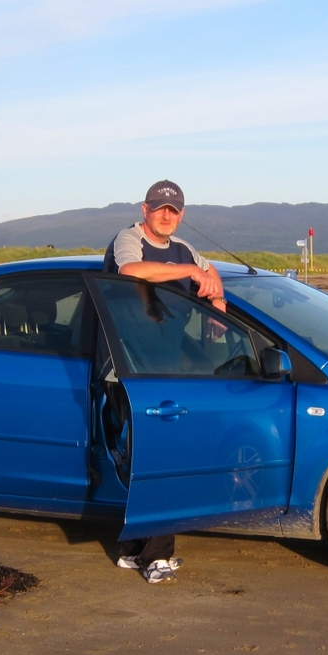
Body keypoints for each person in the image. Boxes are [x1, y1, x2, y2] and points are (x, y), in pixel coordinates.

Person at [103, 180, 225, 583]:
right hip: (129, 369)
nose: (166, 216)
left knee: (147, 456)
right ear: (145, 209)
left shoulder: (185, 249)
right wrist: (189, 271)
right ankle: (157, 557)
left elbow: (211, 271)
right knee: (158, 454)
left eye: (173, 210)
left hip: (168, 367)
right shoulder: (129, 239)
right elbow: (130, 271)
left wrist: (217, 298)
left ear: (182, 214)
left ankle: (133, 549)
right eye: (160, 209)